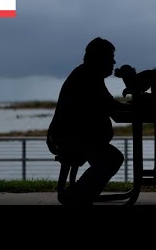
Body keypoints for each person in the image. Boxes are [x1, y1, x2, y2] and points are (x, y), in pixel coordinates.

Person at [46, 37, 130, 205]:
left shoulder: (88, 74)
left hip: (75, 138)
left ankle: (79, 194)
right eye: (110, 57)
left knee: (112, 158)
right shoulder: (88, 77)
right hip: (72, 139)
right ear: (100, 58)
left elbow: (109, 105)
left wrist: (129, 107)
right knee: (111, 159)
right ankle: (77, 196)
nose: (113, 62)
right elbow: (110, 107)